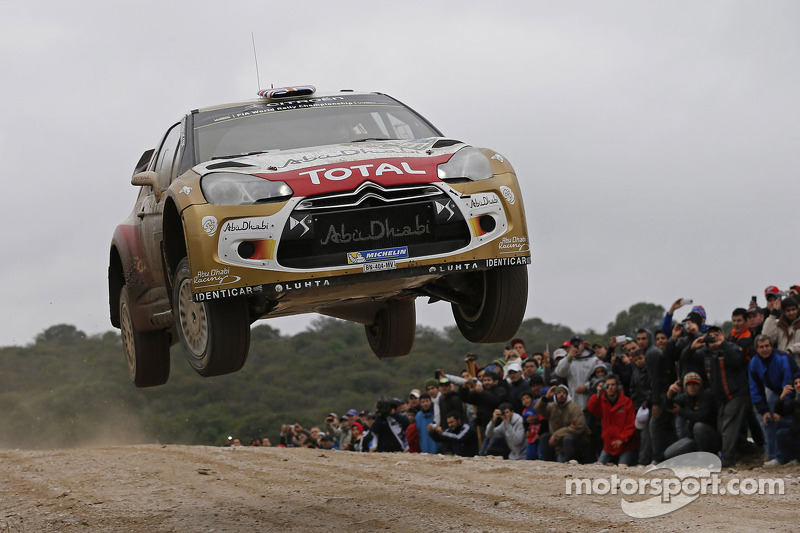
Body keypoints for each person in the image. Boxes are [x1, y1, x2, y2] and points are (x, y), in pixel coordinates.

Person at [689, 326, 753, 467]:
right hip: (722, 399)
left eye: (716, 335)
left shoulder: (731, 347)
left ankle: (727, 460)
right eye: (711, 336)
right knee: (722, 429)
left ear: (723, 335)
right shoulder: (706, 353)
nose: (714, 339)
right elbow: (687, 359)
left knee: (728, 428)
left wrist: (723, 343)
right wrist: (692, 348)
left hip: (737, 394)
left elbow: (737, 360)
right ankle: (749, 451)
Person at [748, 334, 793, 466]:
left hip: (788, 391)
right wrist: (763, 410)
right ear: (757, 349)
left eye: (767, 346)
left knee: (784, 420)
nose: (765, 349)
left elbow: (788, 383)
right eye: (761, 347)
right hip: (773, 391)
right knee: (766, 419)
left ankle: (788, 455)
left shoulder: (782, 358)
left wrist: (781, 408)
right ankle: (772, 455)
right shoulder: (754, 363)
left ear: (771, 346)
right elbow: (755, 389)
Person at [663, 372, 720, 459]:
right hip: (692, 438)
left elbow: (701, 416)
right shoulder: (685, 397)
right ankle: (693, 457)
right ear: (685, 387)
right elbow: (669, 407)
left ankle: (706, 457)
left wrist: (681, 411)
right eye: (689, 384)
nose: (692, 387)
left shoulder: (706, 396)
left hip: (711, 436)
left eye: (695, 384)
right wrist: (669, 393)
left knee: (698, 426)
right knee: (669, 454)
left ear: (700, 385)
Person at [586, 374, 638, 466]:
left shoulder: (627, 402)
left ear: (617, 386)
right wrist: (597, 394)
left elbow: (631, 424)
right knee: (597, 468)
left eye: (613, 385)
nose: (610, 387)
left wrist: (622, 438)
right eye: (607, 385)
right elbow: (591, 409)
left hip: (626, 445)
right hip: (608, 445)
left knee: (622, 468)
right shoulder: (601, 400)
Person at [534, 384, 591, 463]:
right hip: (557, 440)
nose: (561, 395)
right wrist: (546, 397)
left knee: (567, 439)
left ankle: (570, 463)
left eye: (564, 393)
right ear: (555, 394)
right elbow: (537, 409)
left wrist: (557, 435)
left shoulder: (574, 408)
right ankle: (548, 464)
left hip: (577, 439)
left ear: (567, 395)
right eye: (559, 392)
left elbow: (578, 426)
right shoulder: (552, 406)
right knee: (544, 437)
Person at [554, 336, 598, 410]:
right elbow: (559, 373)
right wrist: (569, 358)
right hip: (574, 405)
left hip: (590, 405)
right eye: (574, 344)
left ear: (582, 345)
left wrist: (586, 387)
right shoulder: (567, 360)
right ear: (570, 346)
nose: (576, 346)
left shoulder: (593, 360)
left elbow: (599, 377)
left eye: (578, 344)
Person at [763, 296, 800, 365]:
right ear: (784, 312)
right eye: (788, 310)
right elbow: (766, 337)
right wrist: (773, 314)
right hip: (783, 365)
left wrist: (791, 350)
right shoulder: (778, 324)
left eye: (793, 309)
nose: (791, 312)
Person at [774, 374, 800, 465]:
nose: (798, 385)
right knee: (779, 425)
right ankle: (784, 458)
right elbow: (780, 411)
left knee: (785, 433)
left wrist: (794, 430)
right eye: (796, 383)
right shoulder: (795, 401)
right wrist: (783, 396)